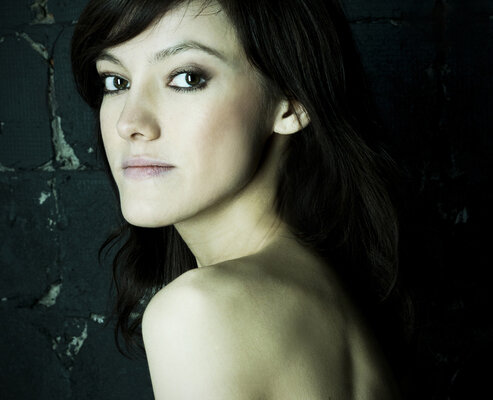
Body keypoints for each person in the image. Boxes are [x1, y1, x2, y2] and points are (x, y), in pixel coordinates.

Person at [71, 0, 408, 398]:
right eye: (116, 82)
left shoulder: (198, 311)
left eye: (187, 78)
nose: (129, 123)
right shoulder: (330, 294)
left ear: (290, 103)